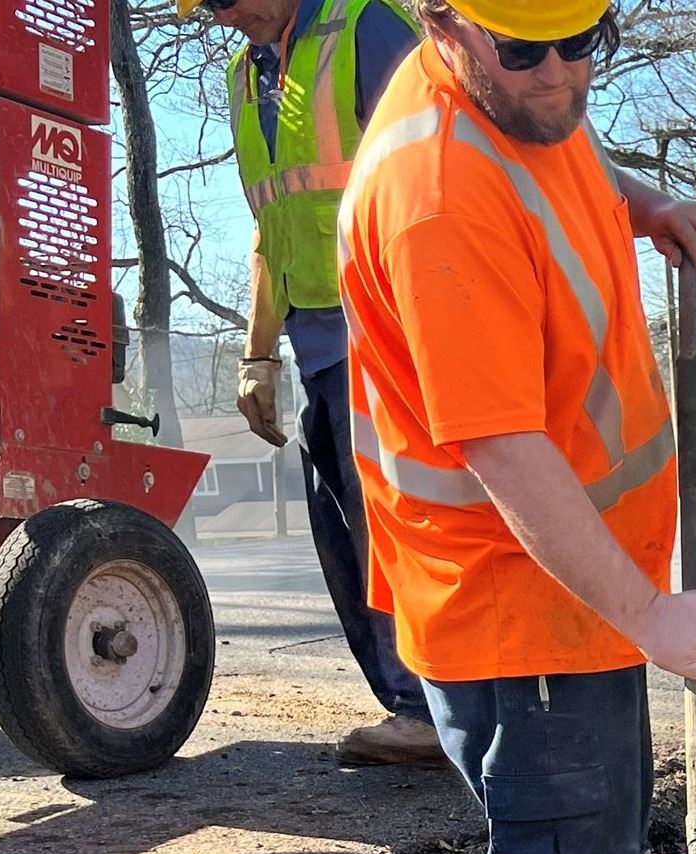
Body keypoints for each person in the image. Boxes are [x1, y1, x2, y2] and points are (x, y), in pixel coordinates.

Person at [336, 0, 696, 854]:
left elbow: (567, 158)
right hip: (518, 603)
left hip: (574, 590)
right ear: (443, 25)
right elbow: (506, 451)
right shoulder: (440, 198)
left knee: (598, 845)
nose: (560, 75)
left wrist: (644, 204)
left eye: (584, 39)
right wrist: (650, 616)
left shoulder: (527, 106)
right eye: (526, 50)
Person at [183, 0, 441, 766]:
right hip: (319, 343)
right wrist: (257, 354)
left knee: (403, 525)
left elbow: (440, 175)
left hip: (394, 329)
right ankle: (415, 705)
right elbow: (272, 224)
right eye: (212, 8)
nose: (230, 17)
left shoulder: (366, 28)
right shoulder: (246, 75)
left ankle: (445, 706)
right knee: (345, 531)